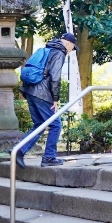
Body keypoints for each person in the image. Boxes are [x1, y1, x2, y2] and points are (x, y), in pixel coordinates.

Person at [16, 33, 76, 169]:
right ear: (68, 43)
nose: (72, 51)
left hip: (29, 90)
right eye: (73, 47)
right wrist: (55, 98)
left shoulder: (46, 49)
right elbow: (55, 77)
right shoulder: (59, 53)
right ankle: (49, 157)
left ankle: (19, 150)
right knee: (55, 125)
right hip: (42, 94)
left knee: (39, 125)